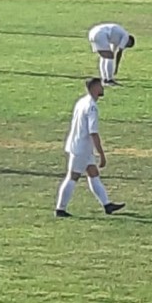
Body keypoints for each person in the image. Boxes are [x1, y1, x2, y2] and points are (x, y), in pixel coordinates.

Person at [54, 78, 126, 218]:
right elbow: (93, 132)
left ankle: (107, 205)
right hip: (81, 148)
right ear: (94, 88)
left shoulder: (81, 102)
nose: (102, 88)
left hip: (80, 146)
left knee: (93, 174)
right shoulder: (92, 107)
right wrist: (101, 154)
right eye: (100, 86)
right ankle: (60, 209)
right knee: (72, 177)